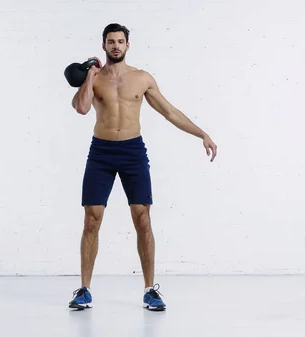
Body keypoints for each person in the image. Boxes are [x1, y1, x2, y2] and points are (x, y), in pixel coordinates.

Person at [68, 23, 218, 311]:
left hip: (133, 152)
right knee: (91, 220)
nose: (115, 45)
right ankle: (84, 290)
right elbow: (82, 108)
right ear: (103, 46)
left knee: (143, 219)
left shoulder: (142, 78)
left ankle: (150, 290)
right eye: (110, 41)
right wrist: (89, 76)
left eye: (120, 41)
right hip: (100, 152)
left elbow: (170, 111)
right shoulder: (95, 79)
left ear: (127, 45)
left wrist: (202, 134)